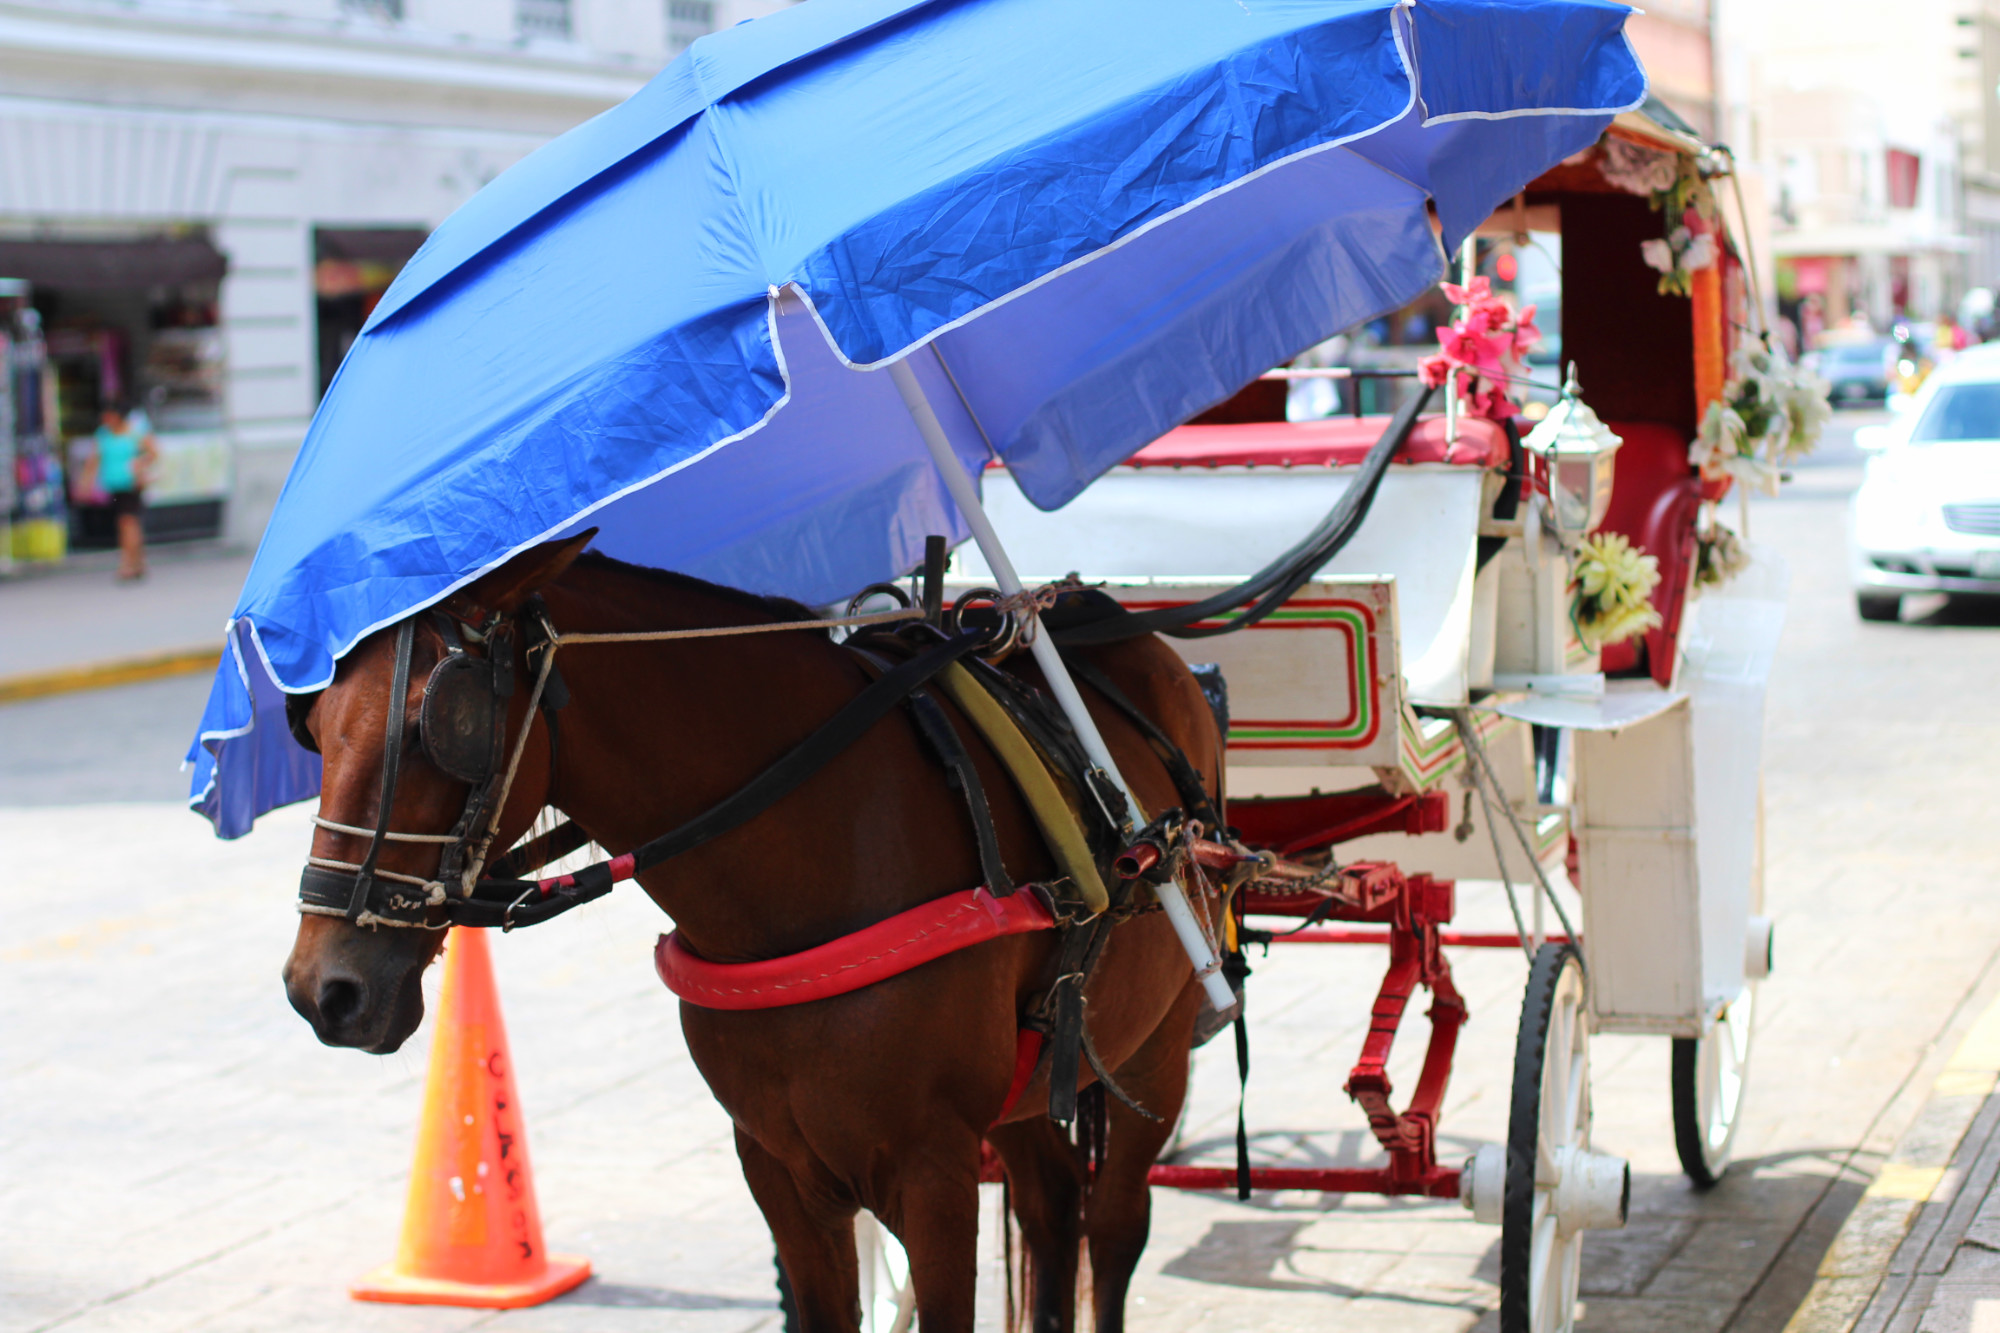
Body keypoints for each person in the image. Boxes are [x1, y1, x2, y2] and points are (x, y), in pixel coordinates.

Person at [94, 399, 157, 581]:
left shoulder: (134, 432)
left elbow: (153, 452)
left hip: (131, 484)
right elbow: (95, 458)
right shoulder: (104, 434)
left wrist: (139, 464)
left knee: (127, 523)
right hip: (114, 485)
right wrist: (86, 482)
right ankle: (138, 562)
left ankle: (128, 564)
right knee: (129, 524)